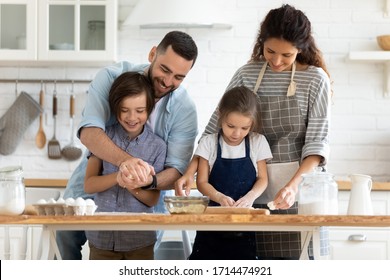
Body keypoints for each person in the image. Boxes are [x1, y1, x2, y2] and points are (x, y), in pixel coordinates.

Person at [176, 4, 332, 260]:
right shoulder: (247, 74)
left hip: (297, 195)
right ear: (261, 42)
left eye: (287, 55)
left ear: (300, 50)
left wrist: (293, 187)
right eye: (270, 51)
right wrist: (189, 172)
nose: (277, 61)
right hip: (247, 196)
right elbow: (214, 128)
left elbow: (317, 143)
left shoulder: (315, 80)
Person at [57, 31, 198, 260]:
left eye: (179, 77)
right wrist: (126, 163)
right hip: (98, 175)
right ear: (153, 54)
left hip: (144, 193)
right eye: (165, 69)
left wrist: (148, 181)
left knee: (141, 247)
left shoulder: (185, 109)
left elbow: (176, 170)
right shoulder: (111, 77)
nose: (168, 82)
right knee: (65, 234)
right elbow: (90, 132)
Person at [84, 72, 166, 260]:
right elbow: (89, 184)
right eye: (124, 110)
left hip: (140, 240)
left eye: (139, 110)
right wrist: (117, 177)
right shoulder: (103, 139)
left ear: (149, 109)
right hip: (101, 238)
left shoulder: (158, 147)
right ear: (115, 108)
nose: (132, 117)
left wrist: (132, 186)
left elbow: (153, 199)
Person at [189, 86, 272, 260]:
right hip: (211, 223)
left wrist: (250, 197)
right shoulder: (208, 143)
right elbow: (202, 182)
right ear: (220, 115)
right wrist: (219, 197)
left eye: (244, 128)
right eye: (231, 126)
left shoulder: (258, 142)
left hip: (244, 224)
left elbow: (263, 179)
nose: (236, 133)